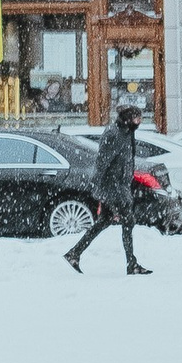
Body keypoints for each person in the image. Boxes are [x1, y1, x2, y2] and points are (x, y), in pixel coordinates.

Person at [66, 97, 153, 275]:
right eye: (137, 118)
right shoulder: (114, 133)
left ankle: (74, 253)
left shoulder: (128, 132)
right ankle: (131, 264)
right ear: (128, 118)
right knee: (128, 221)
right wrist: (97, 186)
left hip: (120, 185)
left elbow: (128, 159)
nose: (140, 121)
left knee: (104, 221)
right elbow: (102, 161)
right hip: (113, 187)